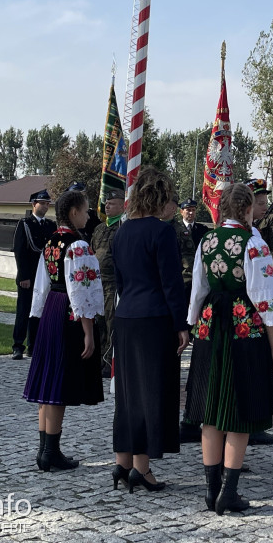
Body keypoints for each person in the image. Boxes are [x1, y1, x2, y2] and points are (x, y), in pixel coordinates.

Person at [184, 182, 273, 514]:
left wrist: (192, 325)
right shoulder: (255, 245)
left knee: (211, 411)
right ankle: (228, 492)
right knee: (240, 412)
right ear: (245, 209)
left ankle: (211, 491)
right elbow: (267, 302)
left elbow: (197, 292)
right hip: (244, 330)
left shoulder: (207, 241)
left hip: (210, 328)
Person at [110, 167, 191, 493]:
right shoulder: (162, 232)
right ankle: (141, 469)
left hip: (126, 317)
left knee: (128, 394)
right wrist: (181, 325)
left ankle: (122, 461)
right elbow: (171, 284)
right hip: (154, 320)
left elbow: (122, 280)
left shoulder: (121, 232)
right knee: (150, 394)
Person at [22, 189, 105, 471]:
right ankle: (51, 452)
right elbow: (83, 291)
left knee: (48, 380)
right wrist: (89, 331)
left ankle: (44, 449)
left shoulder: (50, 242)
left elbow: (41, 284)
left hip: (51, 309)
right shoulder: (78, 246)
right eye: (85, 210)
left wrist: (37, 317)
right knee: (58, 384)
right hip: (69, 310)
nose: (88, 214)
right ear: (73, 212)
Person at [242, 178, 273, 446]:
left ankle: (253, 426)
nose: (263, 206)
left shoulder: (257, 233)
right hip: (251, 315)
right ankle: (248, 427)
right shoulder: (252, 237)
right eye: (258, 203)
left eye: (264, 202)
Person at [172, 198, 211, 444]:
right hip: (184, 284)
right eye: (186, 209)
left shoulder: (203, 231)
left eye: (193, 209)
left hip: (199, 285)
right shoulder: (175, 229)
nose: (189, 212)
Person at [11, 190, 57, 360]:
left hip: (44, 275)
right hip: (28, 275)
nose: (45, 206)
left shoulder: (50, 226)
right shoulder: (25, 224)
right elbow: (20, 251)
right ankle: (18, 345)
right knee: (24, 310)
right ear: (34, 204)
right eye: (42, 203)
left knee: (39, 310)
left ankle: (34, 345)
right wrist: (23, 276)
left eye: (47, 203)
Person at [91, 189, 125, 378]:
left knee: (111, 323)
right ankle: (97, 360)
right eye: (107, 203)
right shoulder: (99, 228)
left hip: (113, 283)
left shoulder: (122, 227)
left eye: (112, 203)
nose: (107, 206)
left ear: (122, 206)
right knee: (99, 323)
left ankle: (108, 362)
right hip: (98, 284)